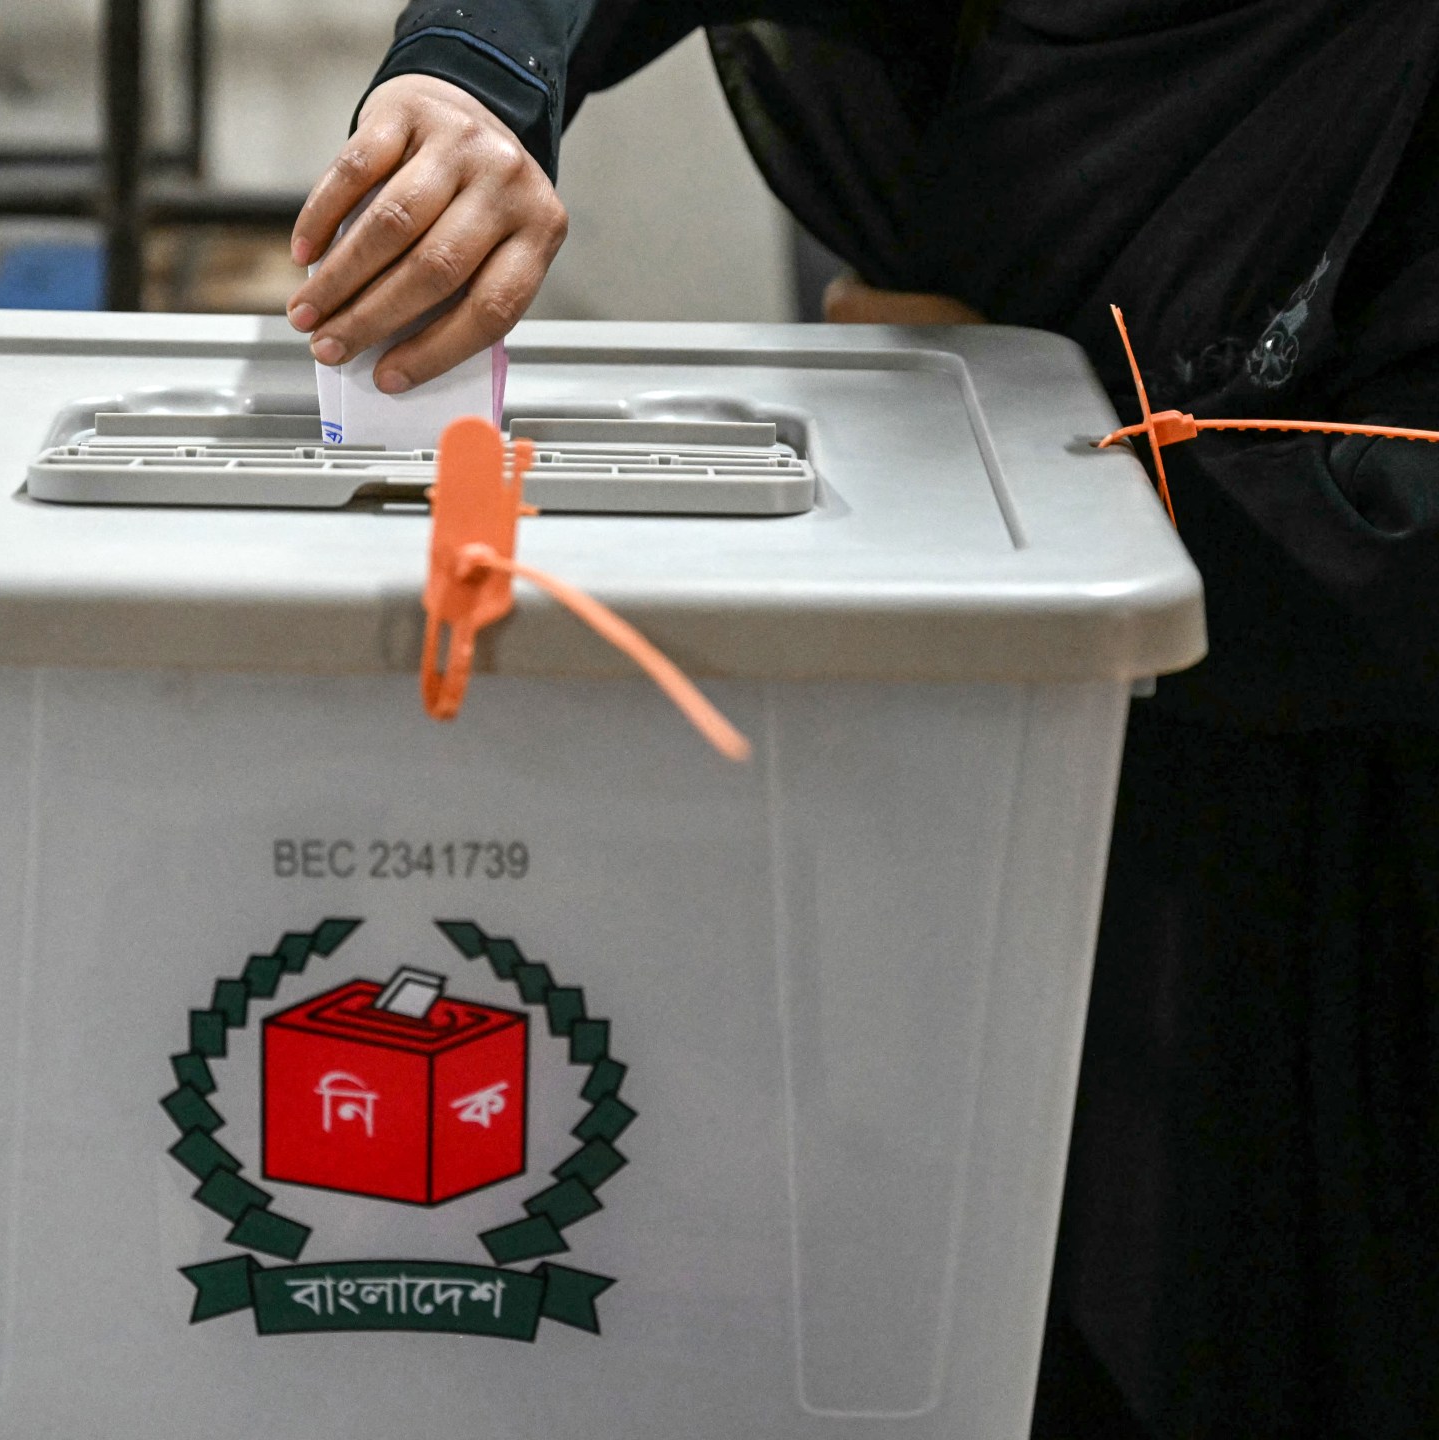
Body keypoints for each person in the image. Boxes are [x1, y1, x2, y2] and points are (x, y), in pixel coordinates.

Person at [285, 5, 1439, 1438]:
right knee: (953, 1252)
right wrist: (475, 74)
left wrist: (1058, 460)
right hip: (987, 721)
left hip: (1333, 801)